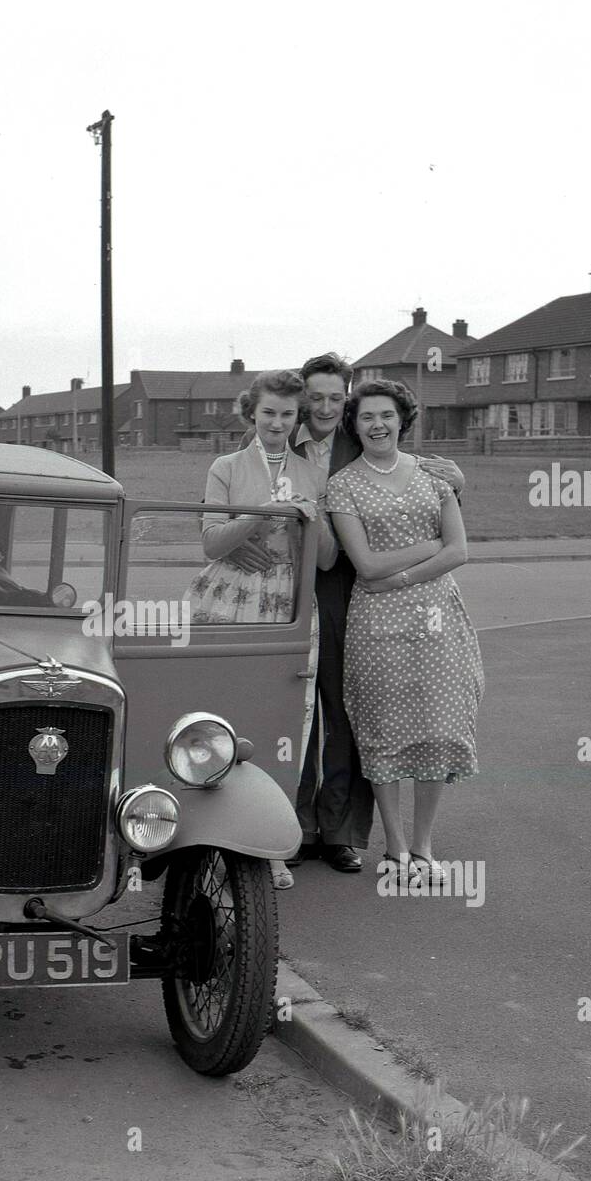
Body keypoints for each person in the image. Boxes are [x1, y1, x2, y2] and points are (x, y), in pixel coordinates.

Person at [230, 352, 465, 875]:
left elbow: (412, 482)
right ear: (298, 401)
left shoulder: (361, 440)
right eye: (315, 397)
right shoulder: (272, 438)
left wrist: (456, 479)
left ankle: (338, 832)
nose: (326, 407)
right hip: (278, 586)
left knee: (342, 708)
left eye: (338, 398)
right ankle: (285, 827)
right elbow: (233, 507)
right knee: (287, 708)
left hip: (346, 587)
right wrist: (233, 543)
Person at [324, 378, 483, 892]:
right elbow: (365, 565)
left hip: (438, 620)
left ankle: (424, 847)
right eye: (367, 416)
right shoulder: (343, 485)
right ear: (356, 425)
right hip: (376, 625)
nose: (377, 424)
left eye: (386, 415)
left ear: (402, 419)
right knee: (385, 731)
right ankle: (393, 847)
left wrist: (405, 575)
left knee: (439, 727)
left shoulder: (435, 474)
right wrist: (428, 547)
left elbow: (460, 551)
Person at [187, 369, 337, 890]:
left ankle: (269, 844)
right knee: (217, 714)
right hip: (228, 599)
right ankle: (206, 842)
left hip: (289, 602)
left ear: (298, 419)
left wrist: (306, 525)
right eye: (268, 412)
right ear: (252, 412)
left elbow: (327, 557)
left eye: (287, 414)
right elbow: (211, 543)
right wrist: (261, 515)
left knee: (282, 721)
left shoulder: (312, 472)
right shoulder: (226, 466)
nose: (277, 422)